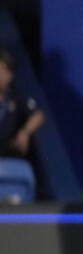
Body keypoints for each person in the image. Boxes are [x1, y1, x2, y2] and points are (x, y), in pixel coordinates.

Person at [0, 48, 44, 200]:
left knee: (25, 172)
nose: (2, 75)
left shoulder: (15, 97)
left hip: (9, 154)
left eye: (5, 71)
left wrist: (24, 132)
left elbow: (38, 115)